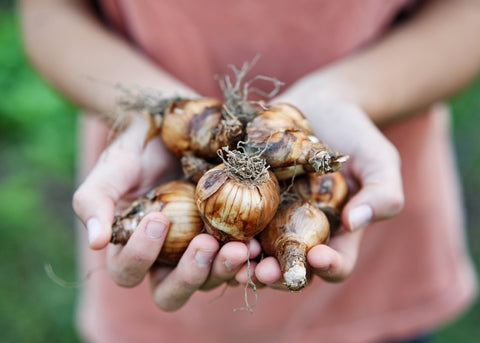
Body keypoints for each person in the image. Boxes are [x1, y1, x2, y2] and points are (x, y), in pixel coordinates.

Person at [20, 0, 480, 342]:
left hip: (385, 278)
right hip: (156, 304)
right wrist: (156, 110)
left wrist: (350, 94)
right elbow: (47, 13)